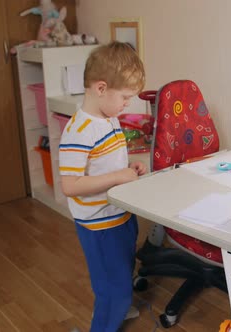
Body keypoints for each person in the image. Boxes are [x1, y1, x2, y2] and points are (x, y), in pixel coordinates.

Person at [59, 41, 147, 332]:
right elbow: (70, 185)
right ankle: (107, 321)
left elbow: (109, 165)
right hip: (98, 225)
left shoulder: (109, 119)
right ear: (100, 89)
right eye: (124, 97)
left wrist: (128, 168)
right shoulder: (78, 131)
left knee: (124, 269)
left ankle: (118, 309)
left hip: (119, 214)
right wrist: (117, 177)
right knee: (112, 289)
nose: (127, 104)